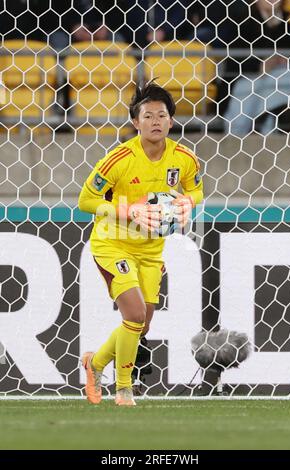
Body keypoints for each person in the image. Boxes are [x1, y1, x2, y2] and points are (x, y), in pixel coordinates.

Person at [78, 80, 204, 406]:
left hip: (151, 250)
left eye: (161, 115)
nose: (155, 122)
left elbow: (197, 190)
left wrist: (189, 202)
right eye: (147, 116)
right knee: (133, 313)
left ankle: (95, 363)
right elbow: (85, 199)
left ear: (172, 121)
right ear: (135, 122)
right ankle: (124, 389)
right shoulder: (118, 158)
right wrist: (129, 211)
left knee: (142, 323)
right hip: (112, 243)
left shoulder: (185, 159)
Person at [222, 0, 290, 135]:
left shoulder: (287, 23)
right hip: (249, 78)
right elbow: (233, 62)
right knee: (253, 88)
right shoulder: (241, 21)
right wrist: (261, 65)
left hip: (282, 79)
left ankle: (270, 128)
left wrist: (282, 59)